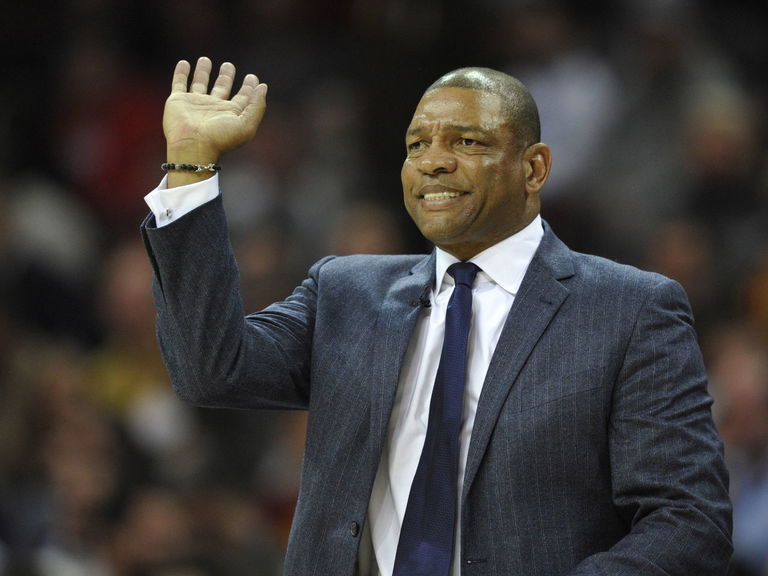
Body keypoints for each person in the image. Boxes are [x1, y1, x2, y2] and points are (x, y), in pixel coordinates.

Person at [141, 57, 733, 575]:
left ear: (534, 168)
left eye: (467, 143)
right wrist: (190, 166)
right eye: (417, 144)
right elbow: (210, 370)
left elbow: (687, 520)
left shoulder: (629, 310)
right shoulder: (345, 292)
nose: (433, 162)